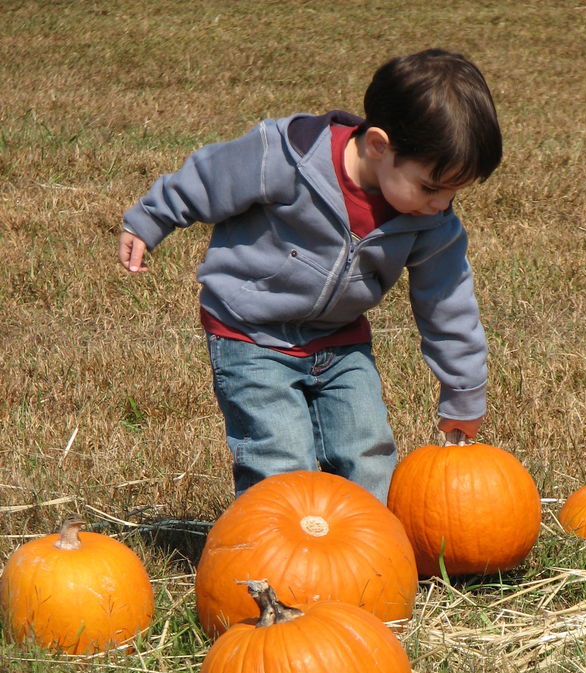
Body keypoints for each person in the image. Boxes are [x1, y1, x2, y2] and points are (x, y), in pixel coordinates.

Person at [119, 49, 502, 504]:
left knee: (370, 455)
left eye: (455, 192)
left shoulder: (430, 222)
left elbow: (449, 303)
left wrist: (463, 390)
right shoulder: (287, 155)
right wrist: (150, 219)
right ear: (379, 146)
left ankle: (369, 559)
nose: (441, 204)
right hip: (250, 335)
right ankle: (270, 559)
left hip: (340, 341)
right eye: (432, 187)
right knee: (280, 459)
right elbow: (211, 178)